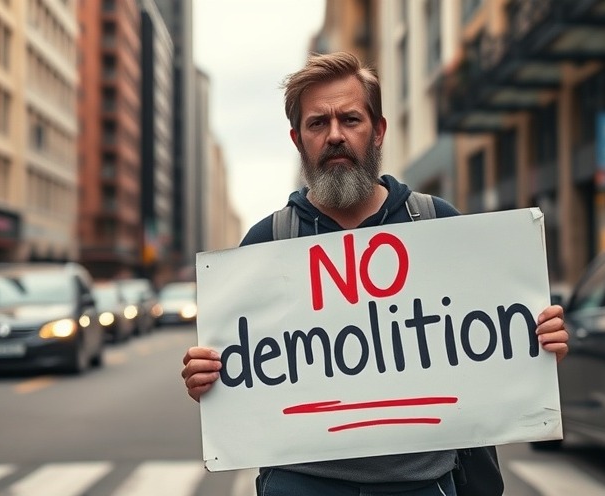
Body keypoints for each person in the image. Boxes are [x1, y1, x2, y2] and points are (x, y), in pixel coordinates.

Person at [181, 51, 569, 496]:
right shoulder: (266, 242)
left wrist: (537, 346)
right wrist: (206, 378)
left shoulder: (438, 224)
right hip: (301, 484)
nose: (334, 135)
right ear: (297, 140)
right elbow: (236, 371)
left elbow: (495, 342)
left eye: (350, 119)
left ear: (378, 130)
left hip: (422, 484)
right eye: (317, 123)